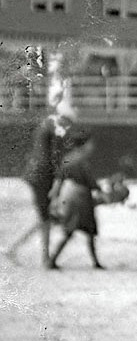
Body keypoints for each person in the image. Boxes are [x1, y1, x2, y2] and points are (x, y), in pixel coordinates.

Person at [4, 113, 62, 267]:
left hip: (37, 177)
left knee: (44, 219)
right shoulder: (48, 137)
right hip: (41, 179)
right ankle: (39, 256)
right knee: (45, 219)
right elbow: (48, 162)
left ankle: (17, 250)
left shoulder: (43, 135)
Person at [46, 130, 103, 270]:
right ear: (84, 144)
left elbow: (59, 180)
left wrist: (54, 198)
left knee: (70, 230)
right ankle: (95, 262)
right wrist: (99, 188)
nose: (92, 146)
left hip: (69, 196)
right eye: (90, 143)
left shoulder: (68, 158)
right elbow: (90, 181)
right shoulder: (82, 160)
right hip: (82, 198)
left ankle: (53, 259)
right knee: (89, 231)